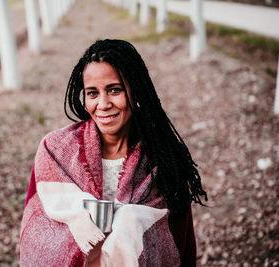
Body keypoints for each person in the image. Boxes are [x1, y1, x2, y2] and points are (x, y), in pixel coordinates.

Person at [19, 39, 207, 266]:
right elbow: (40, 231)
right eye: (92, 93)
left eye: (114, 90)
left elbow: (174, 240)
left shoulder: (163, 160)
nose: (103, 103)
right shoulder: (56, 151)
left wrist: (128, 223)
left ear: (135, 92)